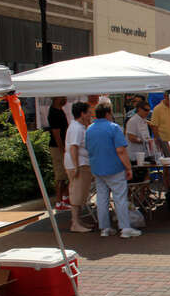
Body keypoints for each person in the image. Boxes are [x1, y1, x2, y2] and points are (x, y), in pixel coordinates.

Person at [85, 103, 142, 239]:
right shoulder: (114, 128)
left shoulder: (89, 129)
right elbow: (121, 150)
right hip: (114, 168)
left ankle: (105, 228)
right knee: (120, 198)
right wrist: (128, 168)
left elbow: (88, 148)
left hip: (97, 168)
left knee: (102, 198)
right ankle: (125, 228)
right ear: (107, 113)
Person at [63, 101, 93, 233]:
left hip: (81, 163)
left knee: (80, 193)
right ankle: (75, 222)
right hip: (78, 164)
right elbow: (73, 147)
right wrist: (76, 166)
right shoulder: (76, 128)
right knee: (76, 193)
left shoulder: (79, 127)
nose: (90, 115)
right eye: (89, 113)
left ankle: (77, 221)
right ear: (82, 113)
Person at [47, 96, 70, 210]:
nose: (65, 99)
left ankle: (65, 198)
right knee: (60, 175)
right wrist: (63, 149)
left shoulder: (59, 110)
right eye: (63, 97)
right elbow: (56, 133)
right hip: (58, 148)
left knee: (67, 175)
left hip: (62, 147)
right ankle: (58, 202)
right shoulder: (54, 113)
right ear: (56, 98)